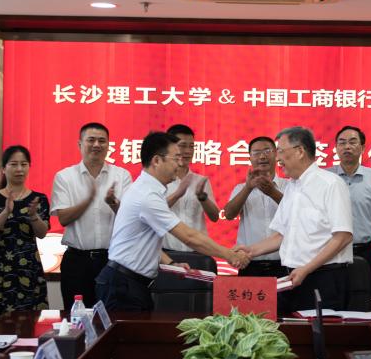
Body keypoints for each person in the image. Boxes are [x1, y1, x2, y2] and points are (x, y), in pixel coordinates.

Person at [95, 132, 250, 311]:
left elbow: (146, 241)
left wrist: (170, 263)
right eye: (175, 158)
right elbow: (189, 236)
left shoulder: (149, 190)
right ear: (156, 160)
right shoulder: (147, 195)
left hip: (129, 283)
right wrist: (230, 255)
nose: (179, 163)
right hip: (123, 287)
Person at [238, 127, 353, 312]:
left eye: (280, 151)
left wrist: (307, 269)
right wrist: (250, 251)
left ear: (300, 151)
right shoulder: (292, 187)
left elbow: (343, 237)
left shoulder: (331, 184)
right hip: (293, 276)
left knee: (319, 330)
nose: (277, 158)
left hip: (324, 278)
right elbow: (282, 235)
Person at [51, 122, 132, 309]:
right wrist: (88, 200)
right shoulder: (65, 177)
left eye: (102, 141)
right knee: (76, 317)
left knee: (112, 316)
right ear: (80, 144)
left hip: (112, 260)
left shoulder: (122, 175)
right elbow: (63, 218)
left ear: (108, 145)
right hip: (77, 262)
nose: (96, 145)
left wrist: (113, 203)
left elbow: (130, 220)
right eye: (91, 140)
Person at [0, 145, 50, 322]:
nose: (19, 169)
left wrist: (33, 216)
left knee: (29, 321)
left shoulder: (38, 199)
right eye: (14, 164)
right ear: (3, 169)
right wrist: (5, 212)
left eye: (24, 164)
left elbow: (42, 233)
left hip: (28, 267)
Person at [328, 125, 371, 298]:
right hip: (331, 253)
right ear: (336, 148)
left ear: (363, 148)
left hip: (365, 253)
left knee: (363, 303)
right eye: (342, 142)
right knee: (332, 304)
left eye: (352, 142)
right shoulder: (325, 177)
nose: (347, 147)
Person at [223, 135, 287, 279]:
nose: (262, 156)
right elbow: (228, 215)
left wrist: (273, 192)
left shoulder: (289, 185)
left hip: (284, 263)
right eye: (256, 153)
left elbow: (296, 213)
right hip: (250, 263)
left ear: (276, 154)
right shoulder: (241, 188)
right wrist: (248, 188)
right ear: (250, 158)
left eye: (267, 151)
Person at [162, 124, 220, 254]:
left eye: (192, 146)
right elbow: (151, 211)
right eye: (182, 145)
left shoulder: (200, 181)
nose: (188, 151)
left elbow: (215, 217)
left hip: (198, 252)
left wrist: (203, 198)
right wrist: (177, 194)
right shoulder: (159, 179)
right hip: (166, 253)